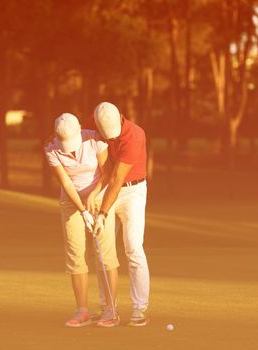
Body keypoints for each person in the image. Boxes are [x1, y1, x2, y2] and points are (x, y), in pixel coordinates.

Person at [44, 113, 120, 328]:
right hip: (71, 202)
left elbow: (106, 174)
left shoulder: (95, 139)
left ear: (80, 129)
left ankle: (110, 310)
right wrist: (82, 210)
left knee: (105, 253)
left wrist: (93, 198)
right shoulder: (51, 148)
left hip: (99, 197)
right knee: (75, 254)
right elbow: (67, 184)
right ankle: (82, 311)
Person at [88, 102, 150, 327]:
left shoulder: (134, 135)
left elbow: (117, 179)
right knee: (101, 249)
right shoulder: (94, 125)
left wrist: (103, 212)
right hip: (108, 189)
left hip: (132, 191)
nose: (111, 140)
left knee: (133, 247)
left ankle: (140, 308)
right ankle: (107, 307)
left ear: (121, 119)